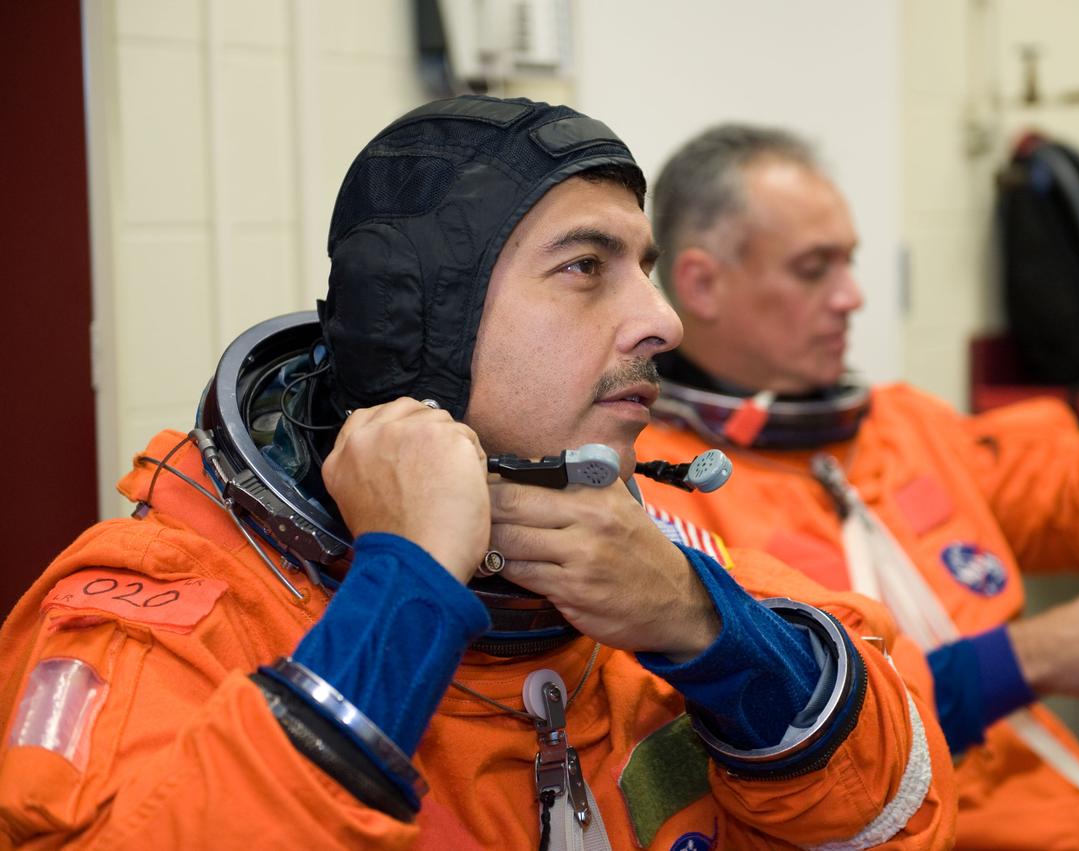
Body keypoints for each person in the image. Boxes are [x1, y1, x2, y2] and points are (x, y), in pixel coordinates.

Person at [0, 98, 956, 850]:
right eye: (588, 266)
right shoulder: (158, 620)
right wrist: (402, 589)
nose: (662, 319)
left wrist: (713, 634)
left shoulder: (654, 566)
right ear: (421, 326)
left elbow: (895, 818)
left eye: (647, 267)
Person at [635, 123, 1079, 851]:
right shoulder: (660, 495)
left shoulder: (902, 423)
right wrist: (1017, 661)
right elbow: (736, 745)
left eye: (851, 262)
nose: (853, 297)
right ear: (701, 283)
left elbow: (1058, 501)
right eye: (814, 269)